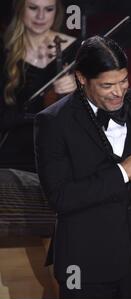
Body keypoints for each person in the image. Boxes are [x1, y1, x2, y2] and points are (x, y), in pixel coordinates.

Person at [34, 35, 131, 299]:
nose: (118, 92)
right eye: (107, 85)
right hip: (84, 266)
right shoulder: (53, 122)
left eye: (123, 81)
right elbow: (60, 197)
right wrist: (121, 173)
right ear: (81, 78)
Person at [0, 0, 77, 172]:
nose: (41, 16)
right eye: (33, 8)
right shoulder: (4, 50)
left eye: (48, 9)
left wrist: (78, 91)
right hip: (10, 150)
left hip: (57, 150)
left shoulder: (74, 49)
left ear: (56, 12)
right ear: (20, 9)